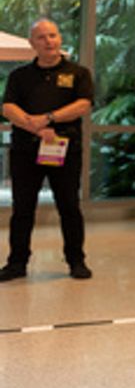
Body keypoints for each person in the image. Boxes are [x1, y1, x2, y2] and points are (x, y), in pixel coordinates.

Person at [1, 18, 94, 281]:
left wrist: (49, 118)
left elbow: (83, 105)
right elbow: (8, 108)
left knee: (68, 206)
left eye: (52, 35)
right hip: (25, 152)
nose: (48, 41)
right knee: (22, 209)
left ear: (60, 39)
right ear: (32, 43)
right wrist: (36, 127)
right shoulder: (19, 76)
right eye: (41, 37)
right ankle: (17, 263)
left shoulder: (79, 74)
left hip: (64, 150)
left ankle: (77, 261)